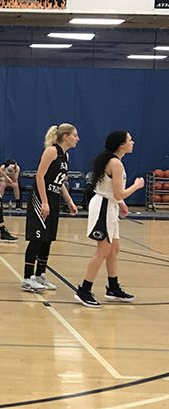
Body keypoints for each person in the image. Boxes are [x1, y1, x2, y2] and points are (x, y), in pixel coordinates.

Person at [74, 130, 144, 308]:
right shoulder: (115, 163)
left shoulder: (114, 161)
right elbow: (118, 192)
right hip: (103, 206)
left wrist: (120, 202)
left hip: (110, 205)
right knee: (103, 250)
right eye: (130, 140)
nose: (132, 142)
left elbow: (113, 190)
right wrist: (136, 186)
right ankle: (84, 290)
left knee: (114, 249)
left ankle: (113, 288)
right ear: (121, 144)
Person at [22, 124, 79, 292]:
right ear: (65, 136)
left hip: (53, 198)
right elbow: (39, 175)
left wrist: (69, 201)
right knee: (37, 238)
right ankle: (27, 278)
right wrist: (44, 201)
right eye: (75, 135)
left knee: (47, 239)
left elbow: (59, 182)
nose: (77, 138)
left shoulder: (65, 156)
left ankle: (40, 275)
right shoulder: (51, 151)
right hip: (41, 197)